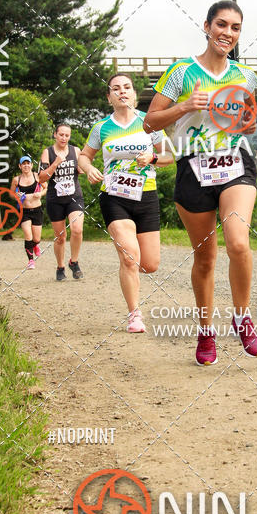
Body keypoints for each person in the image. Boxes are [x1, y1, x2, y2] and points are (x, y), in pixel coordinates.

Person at [145, 0, 257, 366]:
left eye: (236, 28)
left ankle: (242, 318)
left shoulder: (245, 76)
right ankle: (205, 330)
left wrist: (242, 121)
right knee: (205, 258)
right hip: (193, 168)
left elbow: (250, 120)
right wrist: (184, 107)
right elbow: (150, 122)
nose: (228, 33)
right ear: (207, 26)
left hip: (234, 163)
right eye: (222, 25)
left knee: (239, 244)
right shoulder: (181, 72)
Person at [79, 72, 172, 332]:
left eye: (127, 87)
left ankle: (128, 266)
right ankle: (135, 315)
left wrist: (152, 158)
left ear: (134, 93)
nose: (122, 91)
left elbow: (168, 156)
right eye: (116, 89)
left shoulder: (149, 122)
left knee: (149, 264)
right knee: (130, 258)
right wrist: (88, 169)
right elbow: (84, 157)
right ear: (109, 97)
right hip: (114, 197)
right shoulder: (101, 127)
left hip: (146, 195)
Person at [39, 124, 85, 281]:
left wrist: (84, 168)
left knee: (77, 229)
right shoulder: (48, 152)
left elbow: (83, 167)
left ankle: (74, 262)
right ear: (55, 135)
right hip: (55, 199)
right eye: (61, 135)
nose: (64, 138)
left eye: (67, 135)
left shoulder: (76, 151)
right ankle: (60, 267)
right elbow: (41, 177)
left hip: (74, 197)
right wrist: (56, 163)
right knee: (60, 237)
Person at [10, 155, 47, 270]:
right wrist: (17, 195)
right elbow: (11, 194)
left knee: (36, 239)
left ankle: (35, 245)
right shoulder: (17, 180)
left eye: (28, 163)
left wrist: (40, 194)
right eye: (23, 164)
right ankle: (31, 260)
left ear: (31, 165)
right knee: (27, 235)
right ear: (20, 166)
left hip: (37, 210)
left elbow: (46, 188)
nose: (26, 165)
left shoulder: (37, 176)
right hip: (24, 211)